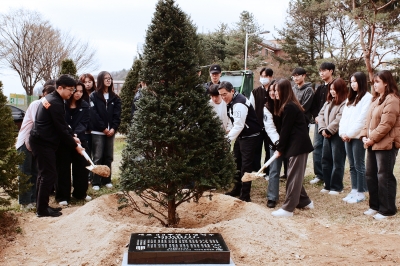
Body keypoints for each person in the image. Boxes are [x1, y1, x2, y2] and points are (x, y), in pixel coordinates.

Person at [30, 75, 84, 217]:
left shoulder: (54, 99)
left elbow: (63, 124)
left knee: (44, 174)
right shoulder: (55, 102)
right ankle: (42, 210)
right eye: (70, 90)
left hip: (42, 140)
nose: (72, 93)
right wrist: (75, 145)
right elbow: (60, 128)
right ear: (60, 88)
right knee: (48, 174)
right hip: (42, 142)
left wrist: (72, 135)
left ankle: (42, 206)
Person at [360, 70, 400, 220]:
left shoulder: (392, 99)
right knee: (371, 175)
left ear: (386, 83)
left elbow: (386, 124)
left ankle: (388, 209)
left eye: (377, 82)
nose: (374, 85)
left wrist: (372, 138)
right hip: (372, 143)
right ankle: (374, 206)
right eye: (373, 82)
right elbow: (367, 121)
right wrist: (364, 135)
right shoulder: (376, 100)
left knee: (384, 176)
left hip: (386, 144)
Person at [271, 79, 314, 217]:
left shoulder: (290, 106)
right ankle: (305, 202)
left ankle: (288, 209)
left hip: (299, 146)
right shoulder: (288, 105)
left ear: (284, 91)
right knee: (293, 174)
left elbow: (286, 130)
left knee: (293, 176)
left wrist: (279, 148)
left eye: (277, 90)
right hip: (296, 145)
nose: (275, 93)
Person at [219, 81, 261, 202]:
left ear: (232, 91)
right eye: (221, 95)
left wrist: (227, 140)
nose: (223, 97)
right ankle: (237, 189)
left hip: (250, 135)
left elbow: (239, 125)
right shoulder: (231, 101)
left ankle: (245, 195)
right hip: (241, 135)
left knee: (246, 165)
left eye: (225, 94)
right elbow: (233, 121)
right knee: (236, 162)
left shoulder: (239, 103)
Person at [16, 84, 55, 211]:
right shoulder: (36, 104)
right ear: (44, 94)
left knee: (35, 173)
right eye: (50, 94)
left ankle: (32, 199)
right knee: (24, 172)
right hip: (24, 142)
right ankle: (24, 202)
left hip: (36, 144)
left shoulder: (50, 107)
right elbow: (37, 122)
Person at [56, 82, 91, 206]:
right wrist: (70, 135)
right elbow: (61, 123)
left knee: (81, 168)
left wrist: (76, 134)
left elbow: (84, 123)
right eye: (76, 91)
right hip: (64, 141)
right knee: (63, 168)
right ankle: (63, 196)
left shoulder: (85, 105)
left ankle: (80, 193)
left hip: (80, 140)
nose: (78, 94)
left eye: (81, 91)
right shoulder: (62, 104)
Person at [339, 72, 372, 203]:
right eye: (351, 81)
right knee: (352, 165)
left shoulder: (367, 98)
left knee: (359, 164)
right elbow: (344, 117)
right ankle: (354, 189)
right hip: (347, 136)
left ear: (361, 82)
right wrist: (343, 133)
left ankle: (361, 191)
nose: (352, 84)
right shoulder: (350, 98)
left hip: (357, 136)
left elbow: (362, 119)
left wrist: (350, 134)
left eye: (355, 81)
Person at [90, 71, 121, 191]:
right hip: (98, 132)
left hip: (111, 132)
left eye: (110, 78)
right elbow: (94, 114)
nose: (108, 80)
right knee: (97, 157)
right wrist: (103, 128)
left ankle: (106, 179)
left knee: (109, 156)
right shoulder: (94, 96)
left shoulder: (115, 97)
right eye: (106, 78)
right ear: (101, 80)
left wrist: (113, 128)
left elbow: (117, 115)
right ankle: (96, 181)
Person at [317, 78, 347, 195]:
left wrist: (329, 130)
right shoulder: (328, 102)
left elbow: (339, 118)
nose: (332, 91)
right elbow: (321, 115)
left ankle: (336, 186)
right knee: (325, 160)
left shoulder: (345, 103)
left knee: (337, 161)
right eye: (331, 89)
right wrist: (323, 129)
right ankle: (327, 184)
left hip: (337, 135)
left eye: (335, 89)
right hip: (326, 135)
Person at [309, 62, 335, 184]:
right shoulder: (320, 88)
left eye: (324, 70)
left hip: (331, 123)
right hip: (319, 122)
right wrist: (316, 116)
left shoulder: (336, 86)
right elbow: (313, 106)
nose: (321, 73)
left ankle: (328, 175)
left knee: (328, 150)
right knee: (317, 147)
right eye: (320, 71)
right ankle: (319, 174)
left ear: (331, 71)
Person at [249, 68, 273, 175]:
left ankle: (267, 171)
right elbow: (251, 109)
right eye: (262, 76)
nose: (263, 78)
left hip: (271, 126)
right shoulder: (255, 92)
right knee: (256, 149)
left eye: (266, 76)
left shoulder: (274, 91)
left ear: (271, 77)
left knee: (269, 150)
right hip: (258, 126)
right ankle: (256, 170)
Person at [263, 81, 281, 208]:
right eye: (270, 91)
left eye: (274, 90)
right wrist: (278, 142)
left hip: (289, 143)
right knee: (274, 170)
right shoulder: (267, 107)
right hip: (275, 143)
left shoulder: (286, 105)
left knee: (291, 171)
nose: (272, 93)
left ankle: (295, 195)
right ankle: (272, 197)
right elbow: (270, 128)